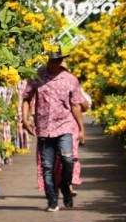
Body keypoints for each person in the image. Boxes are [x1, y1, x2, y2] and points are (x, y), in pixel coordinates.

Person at [21, 49, 87, 211]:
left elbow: (76, 105)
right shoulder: (38, 77)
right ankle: (52, 200)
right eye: (50, 60)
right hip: (44, 128)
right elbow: (26, 98)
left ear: (60, 62)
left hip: (64, 125)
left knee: (68, 159)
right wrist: (25, 119)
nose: (52, 63)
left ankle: (65, 185)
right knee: (47, 165)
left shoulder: (70, 79)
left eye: (55, 60)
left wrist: (81, 128)